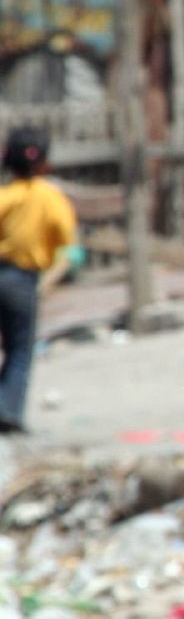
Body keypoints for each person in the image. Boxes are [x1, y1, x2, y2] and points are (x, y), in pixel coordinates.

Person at [0, 127, 77, 435]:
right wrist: (50, 282)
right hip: (22, 280)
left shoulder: (4, 196)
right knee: (20, 348)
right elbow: (70, 249)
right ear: (45, 162)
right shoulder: (50, 197)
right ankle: (8, 410)